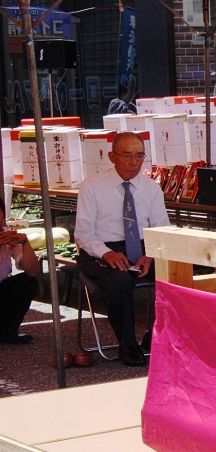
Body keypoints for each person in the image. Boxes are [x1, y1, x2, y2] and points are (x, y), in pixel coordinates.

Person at [75, 132, 170, 366]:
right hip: (102, 250)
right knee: (121, 281)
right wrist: (106, 253)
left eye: (139, 156)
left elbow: (162, 229)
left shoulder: (151, 188)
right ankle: (128, 344)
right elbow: (83, 233)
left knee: (178, 275)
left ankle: (156, 334)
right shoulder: (92, 187)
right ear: (112, 156)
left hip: (142, 247)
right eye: (127, 155)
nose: (133, 162)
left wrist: (150, 254)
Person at [0, 203, 41, 345]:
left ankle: (8, 331)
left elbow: (33, 271)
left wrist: (24, 242)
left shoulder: (8, 234)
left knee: (27, 282)